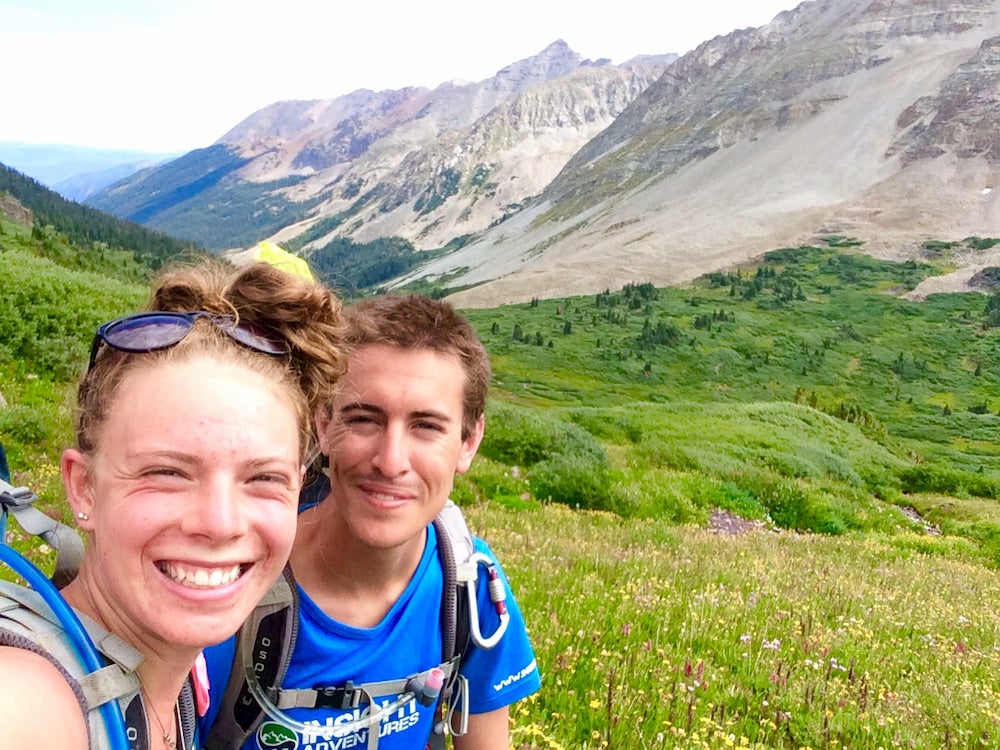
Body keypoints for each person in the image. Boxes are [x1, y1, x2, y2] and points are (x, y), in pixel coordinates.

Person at [0, 259, 348, 750]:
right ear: (84, 487)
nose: (220, 523)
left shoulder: (183, 679)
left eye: (263, 477)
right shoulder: (32, 700)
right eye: (166, 473)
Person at [202, 293, 540, 750]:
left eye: (426, 426)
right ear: (324, 424)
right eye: (364, 419)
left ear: (469, 441)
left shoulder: (472, 586)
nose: (390, 460)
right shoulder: (230, 578)